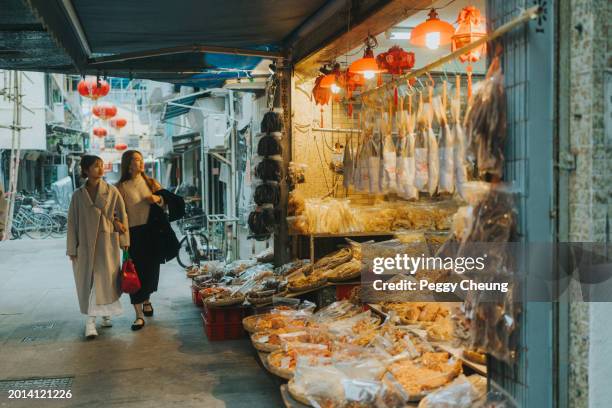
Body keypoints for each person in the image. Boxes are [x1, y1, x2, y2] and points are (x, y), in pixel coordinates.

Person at [66, 155, 129, 339]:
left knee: (104, 281)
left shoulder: (111, 191)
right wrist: (72, 248)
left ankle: (96, 319)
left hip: (106, 243)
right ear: (86, 170)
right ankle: (95, 319)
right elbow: (72, 223)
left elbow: (122, 215)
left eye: (102, 166)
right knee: (90, 282)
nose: (101, 169)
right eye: (95, 166)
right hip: (84, 245)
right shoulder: (78, 195)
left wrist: (125, 241)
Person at [116, 150, 165, 331]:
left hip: (151, 234)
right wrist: (119, 229)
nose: (141, 162)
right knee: (134, 274)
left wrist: (158, 199)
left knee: (151, 272)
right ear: (128, 164)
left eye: (141, 159)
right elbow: (116, 213)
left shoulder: (151, 183)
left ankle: (147, 300)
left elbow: (165, 203)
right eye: (136, 160)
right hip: (133, 235)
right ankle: (138, 315)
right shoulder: (120, 187)